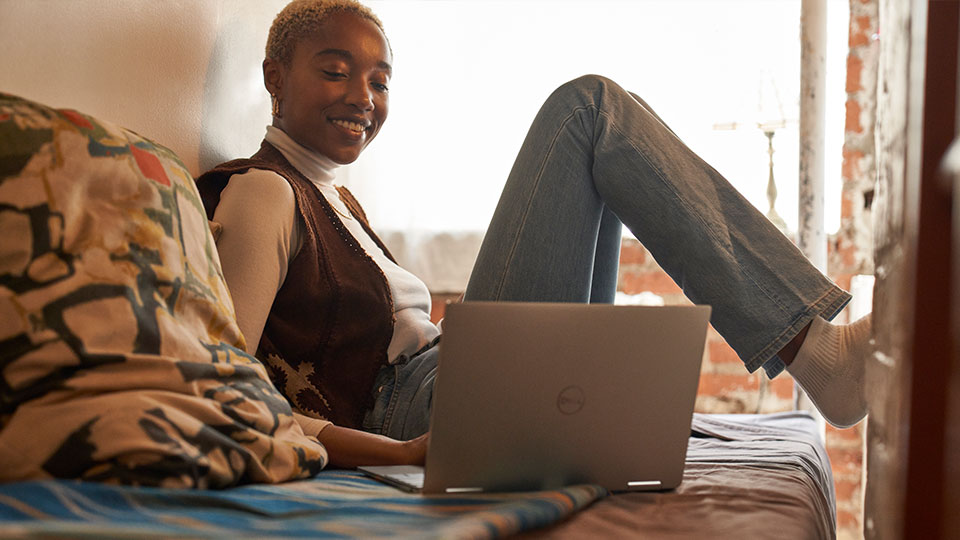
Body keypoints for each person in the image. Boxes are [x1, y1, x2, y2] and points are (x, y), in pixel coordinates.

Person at [195, 0, 872, 468]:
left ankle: (810, 353)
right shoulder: (265, 192)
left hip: (449, 380)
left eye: (379, 80)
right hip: (424, 404)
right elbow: (228, 394)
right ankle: (819, 357)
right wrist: (401, 454)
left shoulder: (334, 198)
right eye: (335, 70)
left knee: (618, 134)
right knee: (591, 110)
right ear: (275, 79)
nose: (363, 98)